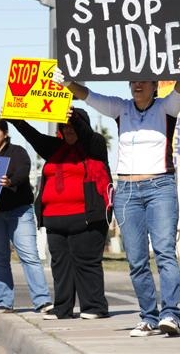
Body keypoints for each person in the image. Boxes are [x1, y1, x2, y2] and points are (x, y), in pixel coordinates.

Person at [52, 68, 180, 336]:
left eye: (143, 80)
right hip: (127, 191)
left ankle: (171, 314)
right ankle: (148, 317)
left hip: (160, 187)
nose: (137, 84)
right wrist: (66, 83)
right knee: (136, 259)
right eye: (133, 80)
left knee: (165, 252)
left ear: (156, 85)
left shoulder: (167, 107)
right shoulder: (121, 108)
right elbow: (89, 95)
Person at [7, 107, 112, 320]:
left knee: (86, 263)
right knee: (60, 266)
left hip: (87, 217)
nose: (68, 130)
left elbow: (86, 133)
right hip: (55, 219)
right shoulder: (55, 148)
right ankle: (63, 308)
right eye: (64, 127)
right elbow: (34, 137)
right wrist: (16, 120)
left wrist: (71, 115)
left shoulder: (95, 145)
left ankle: (94, 307)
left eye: (72, 126)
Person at [0, 117, 53, 314]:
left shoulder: (18, 152)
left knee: (29, 256)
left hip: (19, 211)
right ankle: (5, 302)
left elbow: (23, 172)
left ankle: (43, 301)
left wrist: (10, 181)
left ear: (5, 134)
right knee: (0, 258)